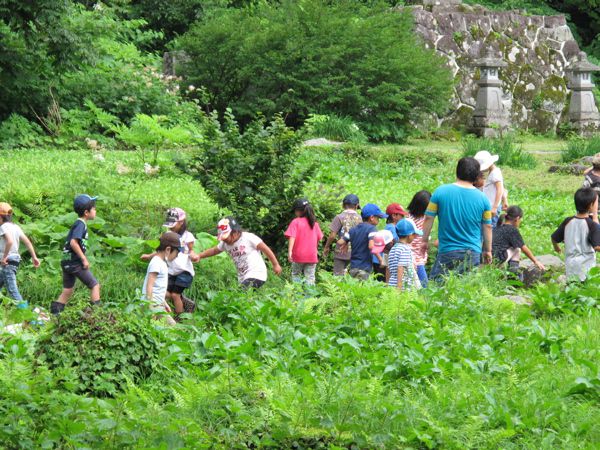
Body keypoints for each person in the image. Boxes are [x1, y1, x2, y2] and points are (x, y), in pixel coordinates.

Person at [421, 157, 493, 282]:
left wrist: (424, 241)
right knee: (466, 291)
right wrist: (487, 250)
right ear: (476, 175)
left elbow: (428, 217)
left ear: (457, 171)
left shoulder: (440, 192)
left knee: (438, 288)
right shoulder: (484, 199)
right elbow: (487, 226)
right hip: (473, 252)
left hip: (448, 250)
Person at [141, 208, 197, 319]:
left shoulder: (187, 236)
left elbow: (191, 250)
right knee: (166, 292)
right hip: (172, 270)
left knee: (175, 295)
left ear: (181, 222)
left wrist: (194, 255)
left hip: (184, 271)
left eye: (173, 224)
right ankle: (183, 303)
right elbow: (160, 250)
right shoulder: (167, 235)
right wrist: (148, 256)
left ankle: (180, 317)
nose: (170, 227)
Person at [197, 217, 282, 288]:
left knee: (242, 292)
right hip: (243, 277)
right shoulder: (225, 244)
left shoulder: (248, 238)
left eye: (226, 238)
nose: (225, 241)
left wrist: (275, 265)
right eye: (223, 239)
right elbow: (214, 250)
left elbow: (265, 249)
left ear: (235, 232)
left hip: (256, 273)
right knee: (244, 297)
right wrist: (199, 256)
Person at [51, 194, 101, 315]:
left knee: (67, 290)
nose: (95, 210)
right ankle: (98, 315)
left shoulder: (79, 223)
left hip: (66, 261)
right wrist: (84, 259)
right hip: (74, 262)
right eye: (93, 208)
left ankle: (55, 314)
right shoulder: (80, 224)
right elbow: (74, 242)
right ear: (86, 212)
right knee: (95, 285)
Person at [551, 188, 600, 281]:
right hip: (586, 269)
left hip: (570, 267)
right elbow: (597, 246)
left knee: (572, 289)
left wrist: (556, 248)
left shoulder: (568, 221)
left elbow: (554, 238)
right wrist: (595, 216)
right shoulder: (592, 225)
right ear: (591, 206)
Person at [0, 202, 40, 308]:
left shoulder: (3, 227)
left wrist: (4, 258)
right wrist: (34, 257)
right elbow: (27, 242)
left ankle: (29, 318)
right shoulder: (15, 227)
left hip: (7, 263)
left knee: (13, 291)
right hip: (14, 261)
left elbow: (9, 242)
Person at [141, 232, 182, 326]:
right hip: (152, 305)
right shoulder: (156, 262)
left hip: (158, 304)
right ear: (168, 249)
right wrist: (150, 305)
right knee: (171, 327)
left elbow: (158, 288)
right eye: (177, 252)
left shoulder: (162, 263)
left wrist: (164, 303)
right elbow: (149, 286)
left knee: (171, 328)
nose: (177, 255)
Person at [338, 203, 387, 281]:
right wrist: (380, 259)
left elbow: (340, 242)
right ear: (372, 217)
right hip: (364, 269)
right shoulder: (372, 229)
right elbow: (371, 246)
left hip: (353, 267)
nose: (379, 220)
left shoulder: (353, 229)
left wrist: (346, 242)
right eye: (378, 218)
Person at [492, 206, 546, 274]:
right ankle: (513, 276)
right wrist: (536, 261)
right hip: (497, 260)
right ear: (517, 218)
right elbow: (523, 247)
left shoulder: (497, 228)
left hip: (487, 259)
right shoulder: (512, 229)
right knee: (517, 249)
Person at [285, 198, 323, 285]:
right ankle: (309, 297)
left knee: (296, 274)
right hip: (312, 255)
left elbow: (292, 237)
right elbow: (318, 238)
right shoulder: (314, 224)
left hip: (298, 255)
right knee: (310, 277)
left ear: (298, 211)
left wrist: (290, 251)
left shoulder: (296, 222)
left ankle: (297, 295)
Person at [323, 194, 362, 276]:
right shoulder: (360, 219)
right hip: (356, 253)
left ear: (343, 205)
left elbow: (332, 235)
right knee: (354, 277)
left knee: (338, 276)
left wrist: (327, 247)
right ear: (357, 205)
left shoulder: (339, 217)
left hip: (340, 252)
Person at [372, 203, 408, 281]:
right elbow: (395, 243)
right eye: (401, 215)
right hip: (382, 259)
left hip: (381, 258)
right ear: (394, 216)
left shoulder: (389, 227)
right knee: (383, 279)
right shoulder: (392, 228)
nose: (403, 218)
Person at [387, 219, 422, 291]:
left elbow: (389, 268)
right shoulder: (405, 249)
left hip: (392, 284)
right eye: (414, 235)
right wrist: (399, 288)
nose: (415, 237)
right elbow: (400, 268)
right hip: (402, 288)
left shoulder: (394, 248)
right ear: (409, 235)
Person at [406, 190, 431, 288]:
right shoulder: (409, 220)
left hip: (421, 257)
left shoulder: (426, 217)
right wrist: (413, 261)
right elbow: (407, 242)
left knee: (418, 287)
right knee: (424, 287)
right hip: (414, 259)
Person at [475, 150, 504, 228]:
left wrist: (494, 207)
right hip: (489, 206)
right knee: (486, 225)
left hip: (493, 207)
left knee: (491, 227)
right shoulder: (492, 172)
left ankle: (491, 240)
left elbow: (500, 189)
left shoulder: (495, 173)